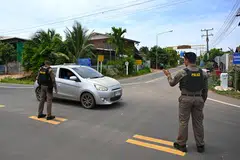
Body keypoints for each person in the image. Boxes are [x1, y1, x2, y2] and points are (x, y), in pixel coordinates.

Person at [163, 52, 208, 153]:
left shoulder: (183, 72)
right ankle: (200, 145)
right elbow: (205, 90)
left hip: (185, 99)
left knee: (183, 122)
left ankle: (181, 144)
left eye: (184, 59)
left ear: (187, 60)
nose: (184, 61)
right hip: (199, 99)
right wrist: (201, 101)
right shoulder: (203, 73)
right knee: (198, 123)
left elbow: (172, 83)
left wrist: (168, 75)